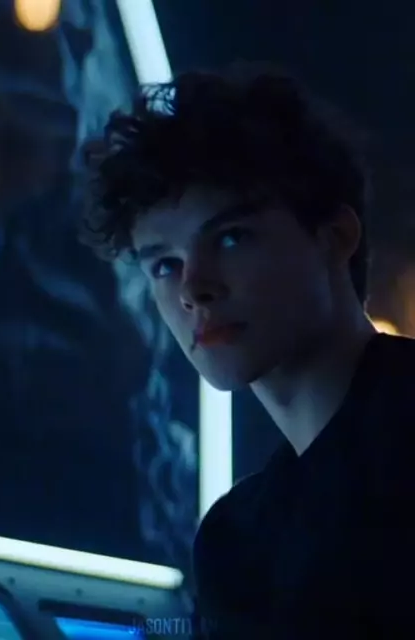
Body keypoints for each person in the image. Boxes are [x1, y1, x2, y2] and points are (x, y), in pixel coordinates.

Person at [81, 63, 415, 638]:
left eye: (231, 238)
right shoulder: (236, 540)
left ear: (335, 236)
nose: (194, 288)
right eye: (165, 264)